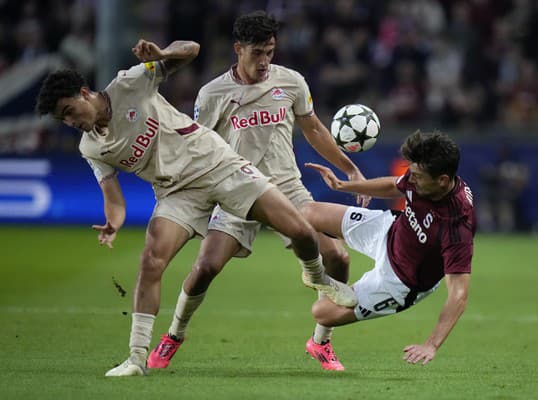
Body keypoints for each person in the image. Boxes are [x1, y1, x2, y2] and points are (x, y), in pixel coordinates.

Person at [35, 38, 357, 377]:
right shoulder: (91, 147)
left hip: (217, 164)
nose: (70, 122)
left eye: (69, 111)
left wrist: (162, 55)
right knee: (152, 259)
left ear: (84, 93)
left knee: (301, 230)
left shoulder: (130, 83)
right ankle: (136, 357)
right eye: (62, 120)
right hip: (177, 192)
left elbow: (191, 49)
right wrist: (113, 222)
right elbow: (112, 195)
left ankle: (317, 278)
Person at [148, 11, 369, 371]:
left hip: (287, 188)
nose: (265, 61)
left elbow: (313, 129)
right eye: (257, 53)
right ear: (238, 49)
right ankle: (174, 334)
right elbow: (196, 147)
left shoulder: (291, 82)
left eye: (270, 51)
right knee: (205, 267)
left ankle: (321, 342)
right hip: (235, 188)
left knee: (339, 258)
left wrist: (350, 168)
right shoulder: (213, 93)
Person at [301, 130, 475, 368]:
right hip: (389, 230)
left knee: (322, 312)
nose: (410, 180)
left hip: (401, 281)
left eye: (417, 176)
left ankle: (319, 340)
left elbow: (459, 294)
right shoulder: (424, 177)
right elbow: (395, 186)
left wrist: (431, 345)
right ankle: (320, 273)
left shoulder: (456, 225)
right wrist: (345, 185)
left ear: (443, 180)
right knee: (307, 214)